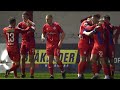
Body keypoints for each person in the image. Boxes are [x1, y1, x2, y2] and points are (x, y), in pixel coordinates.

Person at [41, 14, 66, 79]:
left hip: (56, 45)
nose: (46, 20)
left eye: (47, 19)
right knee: (50, 60)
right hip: (49, 45)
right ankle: (51, 75)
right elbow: (43, 33)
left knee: (57, 59)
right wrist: (43, 37)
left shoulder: (56, 25)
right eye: (46, 19)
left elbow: (63, 33)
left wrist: (60, 41)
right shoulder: (45, 26)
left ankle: (63, 71)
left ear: (51, 18)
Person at [77, 14, 100, 79]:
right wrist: (96, 25)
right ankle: (79, 75)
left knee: (91, 60)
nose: (93, 20)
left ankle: (96, 74)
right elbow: (88, 29)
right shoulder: (85, 23)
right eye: (92, 19)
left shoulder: (92, 24)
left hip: (91, 44)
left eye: (94, 19)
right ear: (89, 18)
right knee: (83, 60)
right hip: (83, 44)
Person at [18, 11, 35, 78]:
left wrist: (29, 27)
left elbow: (34, 30)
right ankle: (23, 74)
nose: (24, 18)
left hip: (31, 42)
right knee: (22, 58)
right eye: (23, 17)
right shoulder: (20, 24)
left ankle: (32, 74)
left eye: (25, 17)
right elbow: (17, 29)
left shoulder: (31, 23)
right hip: (23, 42)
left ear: (28, 17)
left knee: (31, 59)